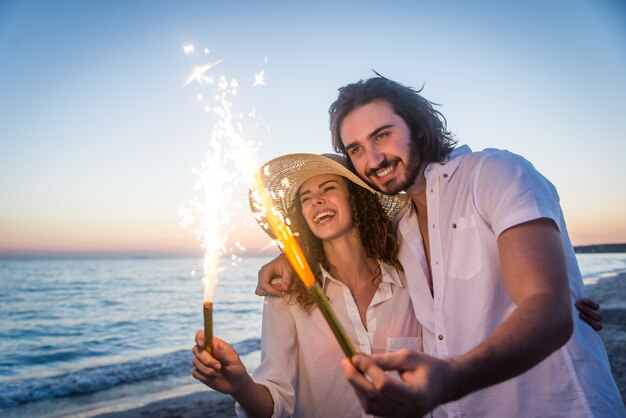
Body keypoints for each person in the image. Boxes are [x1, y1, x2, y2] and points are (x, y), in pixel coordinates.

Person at [256, 76, 624, 417]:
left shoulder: (494, 173)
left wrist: (451, 378)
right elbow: (348, 241)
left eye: (382, 135)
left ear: (417, 125)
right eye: (356, 149)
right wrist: (291, 255)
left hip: (557, 405)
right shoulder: (401, 232)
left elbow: (547, 304)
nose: (374, 159)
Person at [192, 153, 420, 417]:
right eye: (306, 199)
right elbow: (276, 401)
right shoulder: (286, 293)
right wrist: (241, 385)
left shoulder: (410, 275)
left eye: (328, 189)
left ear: (357, 198)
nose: (316, 201)